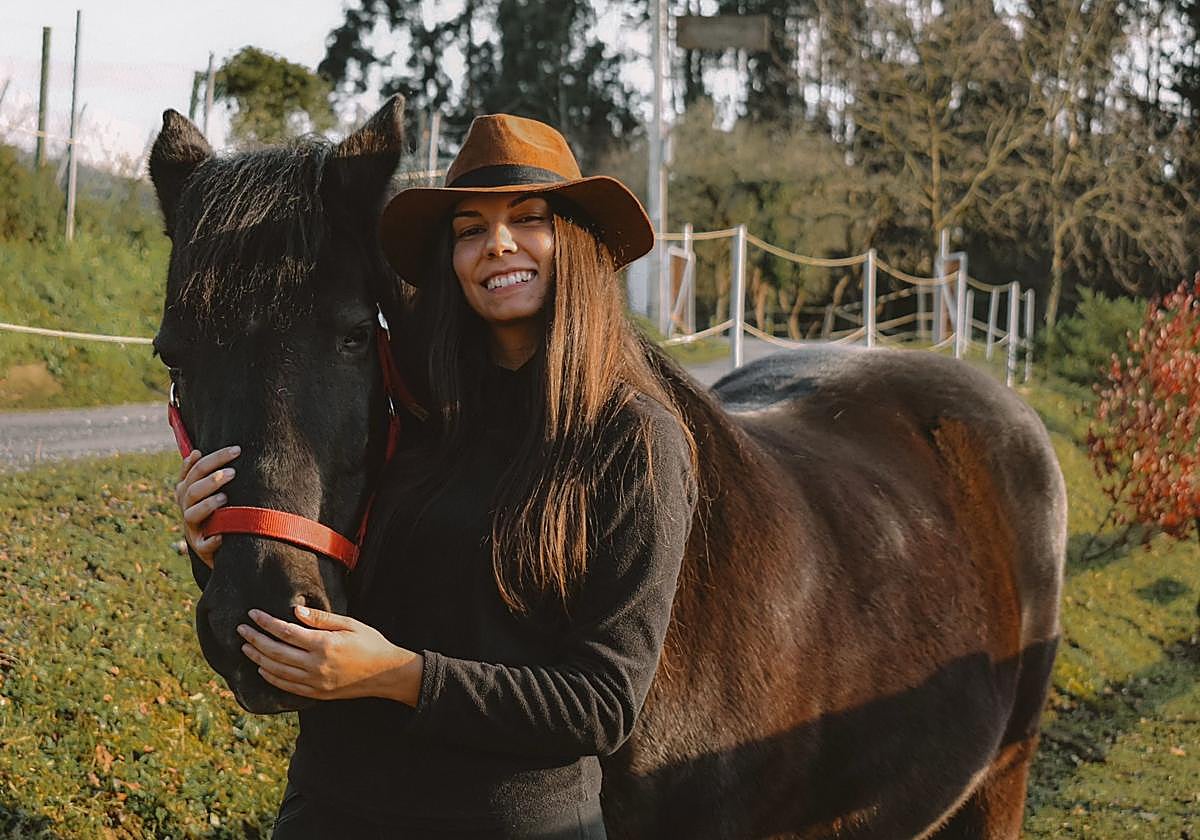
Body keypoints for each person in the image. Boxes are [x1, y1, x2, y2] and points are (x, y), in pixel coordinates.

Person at [173, 114, 698, 839]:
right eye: (470, 228)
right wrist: (222, 546)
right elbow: (311, 578)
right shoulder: (407, 407)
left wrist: (397, 676)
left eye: (530, 219)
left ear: (576, 239)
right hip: (332, 810)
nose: (499, 245)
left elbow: (604, 702)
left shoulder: (633, 442)